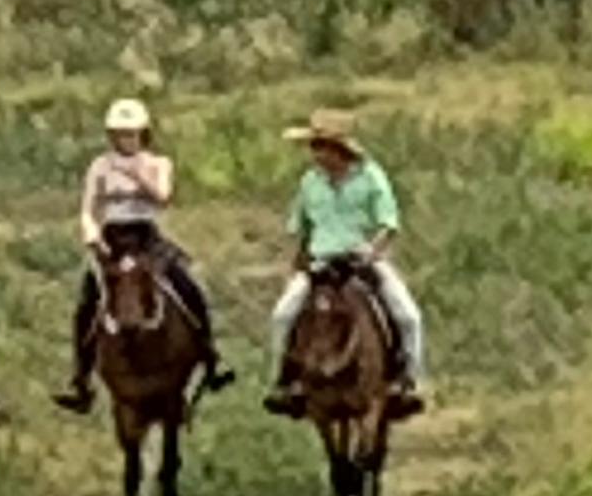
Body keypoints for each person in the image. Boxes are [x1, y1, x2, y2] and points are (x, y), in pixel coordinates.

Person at [54, 97, 230, 414]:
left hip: (145, 237)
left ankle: (210, 357)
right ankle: (81, 378)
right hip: (112, 239)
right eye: (120, 135)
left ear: (143, 135)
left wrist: (135, 173)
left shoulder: (158, 164)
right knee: (88, 301)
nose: (126, 141)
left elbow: (163, 196)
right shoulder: (99, 166)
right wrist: (92, 237)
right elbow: (88, 208)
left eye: (131, 134)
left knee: (188, 287)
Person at [265, 111, 425, 416]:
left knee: (408, 315)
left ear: (337, 149)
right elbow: (301, 227)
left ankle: (408, 380)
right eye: (313, 147)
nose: (314, 154)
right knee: (283, 314)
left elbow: (388, 223)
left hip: (361, 260)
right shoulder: (310, 182)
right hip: (320, 262)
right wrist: (299, 261)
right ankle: (285, 380)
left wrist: (373, 252)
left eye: (319, 146)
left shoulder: (371, 176)